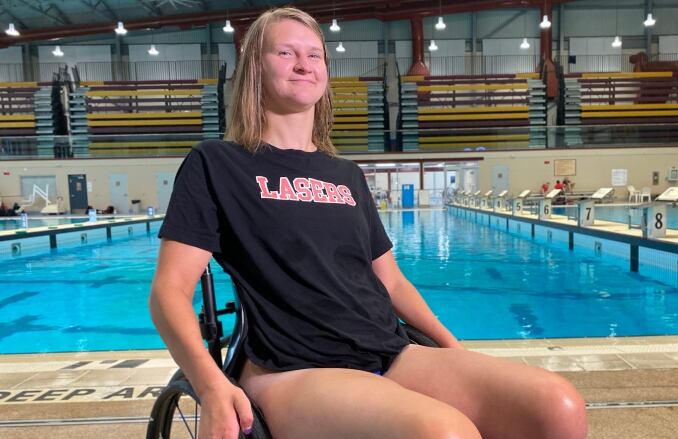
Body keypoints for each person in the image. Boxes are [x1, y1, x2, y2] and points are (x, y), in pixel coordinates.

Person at [149, 7, 587, 439]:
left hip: (387, 350)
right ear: (253, 68)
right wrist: (211, 385)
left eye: (314, 54)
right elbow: (169, 291)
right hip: (291, 365)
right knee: (443, 432)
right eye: (284, 53)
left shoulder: (347, 176)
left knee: (556, 403)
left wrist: (453, 351)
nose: (303, 64)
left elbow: (390, 283)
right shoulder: (217, 164)